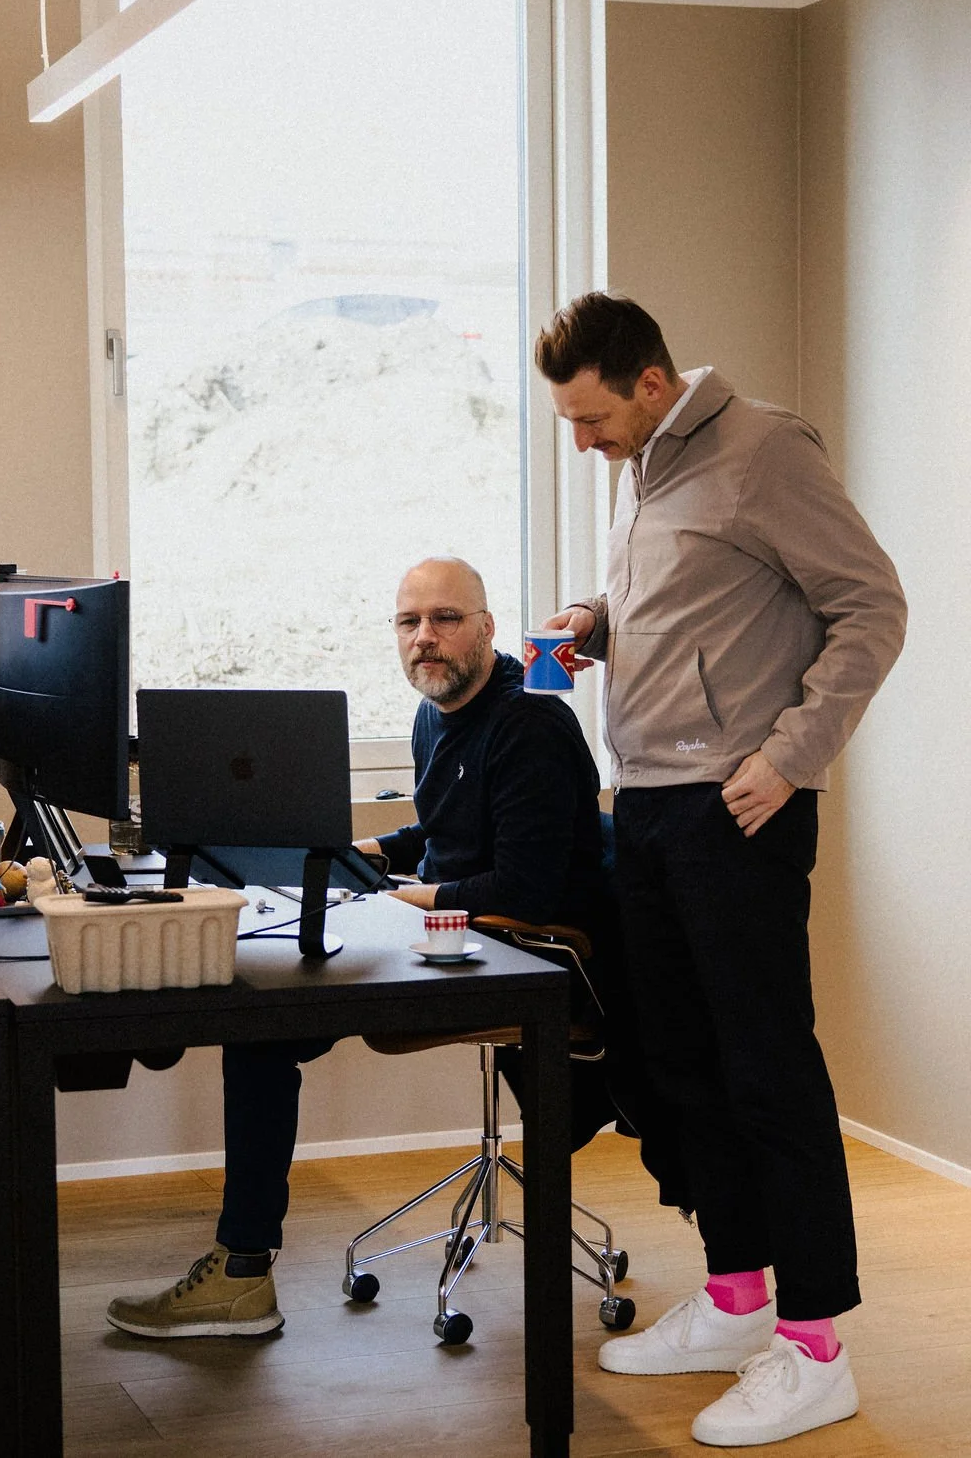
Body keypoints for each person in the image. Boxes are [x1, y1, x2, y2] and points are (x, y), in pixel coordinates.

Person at [534, 292, 907, 1448]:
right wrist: (599, 619)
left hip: (733, 808)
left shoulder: (763, 449)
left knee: (764, 1070)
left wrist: (789, 760)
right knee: (679, 1063)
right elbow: (700, 602)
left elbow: (870, 608)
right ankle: (737, 1294)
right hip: (642, 798)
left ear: (650, 382)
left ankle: (813, 1345)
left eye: (591, 418)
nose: (582, 442)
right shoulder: (639, 468)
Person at [106, 555, 617, 1341]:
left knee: (267, 1020)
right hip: (451, 937)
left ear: (486, 627)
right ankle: (243, 1275)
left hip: (532, 957)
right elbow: (445, 833)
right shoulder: (435, 712)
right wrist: (353, 851)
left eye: (445, 619)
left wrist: (389, 893)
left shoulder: (531, 724)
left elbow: (524, 886)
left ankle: (242, 1271)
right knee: (262, 1023)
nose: (425, 639)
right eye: (409, 622)